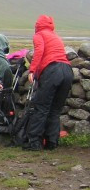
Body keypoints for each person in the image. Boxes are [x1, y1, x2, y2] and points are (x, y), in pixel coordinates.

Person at [23, 15, 72, 151]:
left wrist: (32, 70)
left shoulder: (39, 35)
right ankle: (52, 142)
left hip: (53, 71)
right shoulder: (55, 36)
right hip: (67, 70)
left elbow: (39, 51)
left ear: (37, 25)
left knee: (41, 107)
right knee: (55, 109)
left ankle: (35, 143)